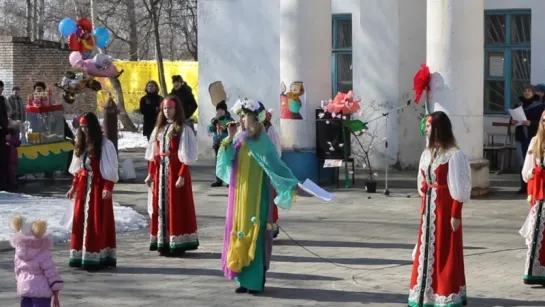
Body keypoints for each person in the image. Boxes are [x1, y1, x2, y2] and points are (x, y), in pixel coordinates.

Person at [216, 98, 298, 294]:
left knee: (257, 232)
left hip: (258, 194)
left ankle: (256, 280)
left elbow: (276, 165)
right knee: (240, 230)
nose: (241, 121)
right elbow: (224, 161)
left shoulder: (263, 142)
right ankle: (242, 279)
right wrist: (228, 137)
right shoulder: (237, 140)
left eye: (245, 117)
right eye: (241, 117)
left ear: (254, 119)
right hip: (239, 195)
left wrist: (290, 181)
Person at [409, 111, 471, 307]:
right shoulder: (427, 153)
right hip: (429, 208)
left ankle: (445, 293)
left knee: (445, 251)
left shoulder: (454, 154)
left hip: (445, 209)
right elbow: (422, 181)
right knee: (426, 249)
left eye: (428, 127)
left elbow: (459, 187)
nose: (425, 130)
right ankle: (426, 293)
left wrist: (455, 213)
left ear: (438, 129)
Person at [144, 95, 199, 256]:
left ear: (177, 109)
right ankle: (163, 241)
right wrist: (150, 174)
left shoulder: (183, 129)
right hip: (160, 170)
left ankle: (177, 242)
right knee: (160, 206)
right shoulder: (159, 129)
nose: (168, 112)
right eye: (165, 108)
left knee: (176, 205)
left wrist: (181, 175)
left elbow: (186, 155)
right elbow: (154, 154)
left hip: (175, 171)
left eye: (171, 108)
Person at [66, 112, 119, 271]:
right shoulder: (80, 143)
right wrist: (73, 187)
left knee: (97, 220)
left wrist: (108, 187)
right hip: (84, 185)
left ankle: (97, 254)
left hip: (97, 186)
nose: (84, 130)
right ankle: (80, 254)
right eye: (81, 127)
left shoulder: (104, 144)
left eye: (86, 126)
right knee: (80, 219)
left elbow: (110, 167)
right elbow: (78, 169)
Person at [9, 214, 64, 307]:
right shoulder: (42, 250)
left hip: (24, 286)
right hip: (40, 289)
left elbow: (17, 270)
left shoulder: (18, 250)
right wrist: (56, 285)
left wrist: (19, 281)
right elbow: (50, 270)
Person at [521, 110, 545, 286]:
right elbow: (525, 174)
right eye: (544, 120)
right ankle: (535, 271)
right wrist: (535, 172)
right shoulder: (535, 142)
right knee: (537, 232)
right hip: (540, 196)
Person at [511, 85, 540, 194]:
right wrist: (513, 121)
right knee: (522, 162)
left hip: (533, 137)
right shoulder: (518, 104)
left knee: (533, 161)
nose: (527, 92)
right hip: (520, 137)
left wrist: (531, 123)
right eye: (525, 91)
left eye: (529, 91)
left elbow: (542, 121)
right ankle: (523, 186)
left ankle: (533, 187)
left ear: (533, 92)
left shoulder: (540, 105)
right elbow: (512, 119)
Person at [262, 109, 282, 238]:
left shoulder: (270, 131)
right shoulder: (262, 131)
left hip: (269, 168)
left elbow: (276, 150)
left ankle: (271, 226)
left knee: (270, 198)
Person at [208, 100, 234, 187]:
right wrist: (214, 121)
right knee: (218, 162)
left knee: (228, 161)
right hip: (217, 143)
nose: (219, 112)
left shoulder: (230, 120)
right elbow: (210, 129)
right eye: (217, 110)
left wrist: (226, 128)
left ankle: (229, 180)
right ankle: (218, 180)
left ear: (225, 111)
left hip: (227, 143)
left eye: (221, 110)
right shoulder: (215, 120)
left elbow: (234, 129)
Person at [6, 124, 21, 190]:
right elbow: (18, 142)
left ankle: (13, 185)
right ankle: (13, 184)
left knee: (11, 173)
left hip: (10, 159)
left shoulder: (8, 140)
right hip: (13, 158)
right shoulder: (15, 140)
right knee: (12, 172)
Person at [0, 80, 9, 191]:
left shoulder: (2, 100)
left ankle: (3, 183)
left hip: (2, 132)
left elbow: (4, 116)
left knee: (3, 159)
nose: (1, 90)